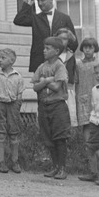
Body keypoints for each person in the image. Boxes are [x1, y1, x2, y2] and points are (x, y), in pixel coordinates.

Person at [31, 37, 71, 179]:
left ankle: (62, 168)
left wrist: (46, 81)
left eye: (48, 48)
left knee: (59, 137)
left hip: (57, 105)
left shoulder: (60, 66)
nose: (44, 51)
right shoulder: (42, 67)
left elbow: (56, 87)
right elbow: (35, 86)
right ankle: (55, 167)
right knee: (48, 137)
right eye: (44, 48)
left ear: (57, 51)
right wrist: (46, 81)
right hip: (44, 105)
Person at [13, 0, 75, 73]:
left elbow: (74, 42)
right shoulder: (36, 18)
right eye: (38, 1)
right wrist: (27, 5)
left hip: (60, 63)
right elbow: (18, 20)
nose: (40, 3)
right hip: (40, 63)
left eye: (42, 0)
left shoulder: (64, 18)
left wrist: (65, 58)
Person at [0, 47, 26, 173]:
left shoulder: (18, 76)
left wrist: (17, 104)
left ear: (12, 61)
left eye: (3, 58)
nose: (0, 60)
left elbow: (20, 93)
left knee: (14, 133)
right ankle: (1, 161)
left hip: (13, 106)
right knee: (0, 133)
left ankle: (15, 161)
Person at [72, 36, 99, 134]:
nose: (88, 50)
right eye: (85, 48)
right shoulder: (78, 64)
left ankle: (97, 147)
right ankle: (88, 147)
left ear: (95, 49)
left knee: (98, 124)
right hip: (83, 97)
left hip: (97, 98)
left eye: (90, 48)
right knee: (86, 125)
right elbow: (75, 80)